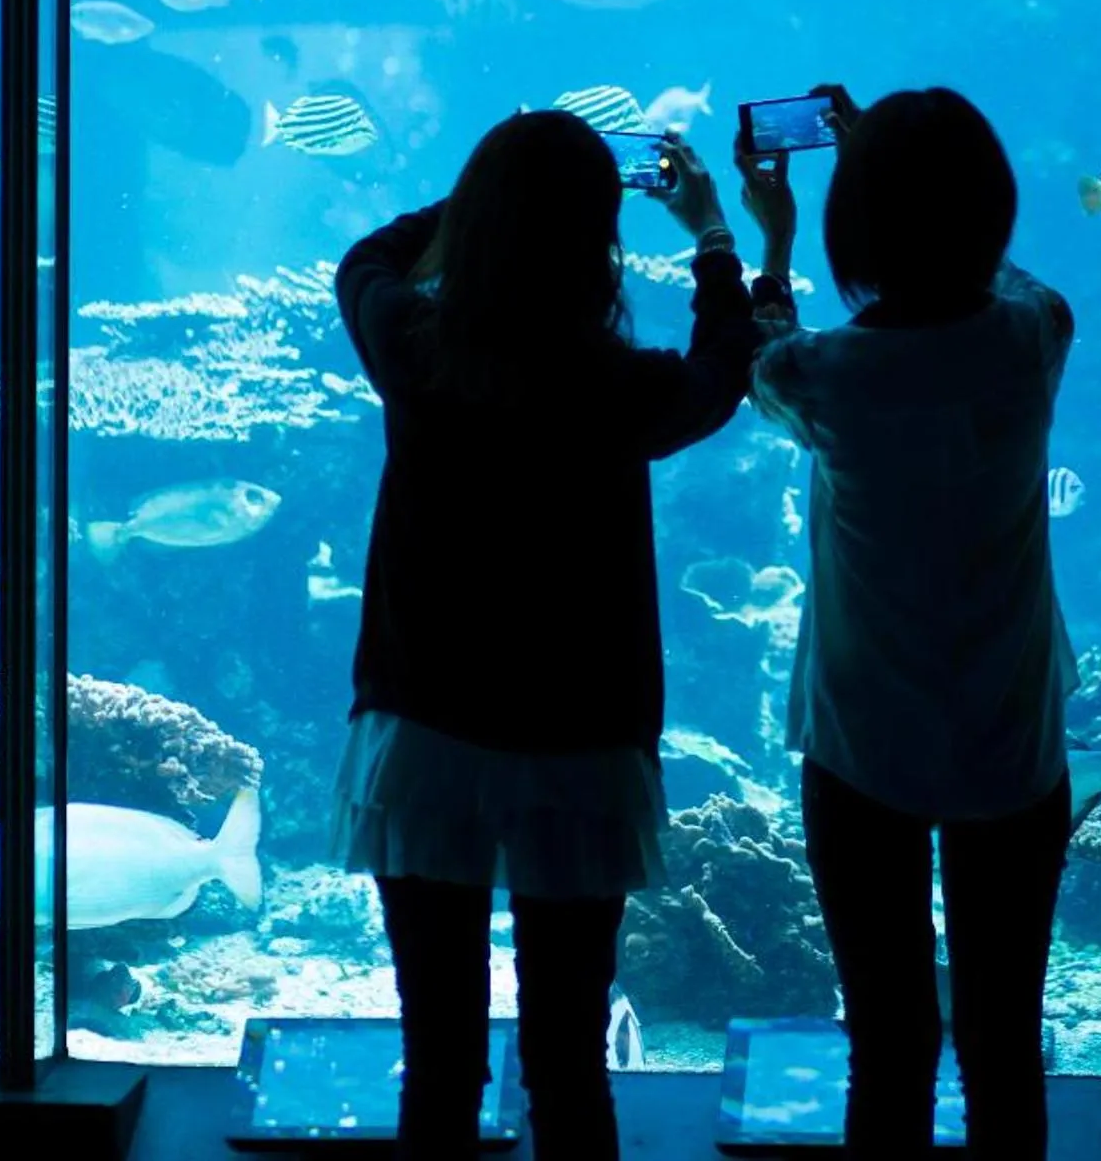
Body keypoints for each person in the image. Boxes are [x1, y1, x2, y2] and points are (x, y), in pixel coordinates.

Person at [331, 110, 790, 1161]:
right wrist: (715, 231)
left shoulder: (414, 349)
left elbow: (367, 260)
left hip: (428, 735)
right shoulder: (619, 387)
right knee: (570, 1060)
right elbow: (725, 369)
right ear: (602, 237)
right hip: (579, 746)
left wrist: (488, 200)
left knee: (438, 1054)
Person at [742, 86, 1077, 1161]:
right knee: (1004, 1042)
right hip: (1014, 744)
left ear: (860, 225)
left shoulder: (825, 373)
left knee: (886, 1040)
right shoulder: (1033, 339)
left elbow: (766, 355)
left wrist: (766, 236)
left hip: (862, 746)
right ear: (996, 212)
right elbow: (1019, 279)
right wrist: (887, 165)